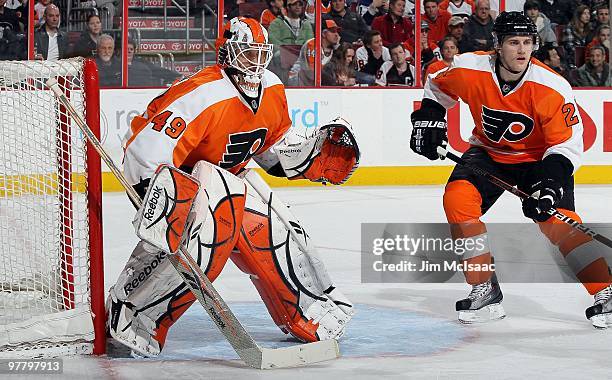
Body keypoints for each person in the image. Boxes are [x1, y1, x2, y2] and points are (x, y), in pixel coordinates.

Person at [107, 17, 357, 357]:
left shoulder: (271, 88)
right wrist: (159, 199)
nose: (254, 63)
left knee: (276, 229)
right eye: (246, 54)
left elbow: (271, 148)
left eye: (260, 54)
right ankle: (131, 317)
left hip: (229, 180)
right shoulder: (203, 93)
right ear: (228, 52)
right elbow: (143, 148)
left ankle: (309, 314)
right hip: (175, 184)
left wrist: (307, 156)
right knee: (206, 243)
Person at [409, 11, 612, 327]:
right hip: (489, 154)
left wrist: (549, 184)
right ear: (497, 46)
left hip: (539, 160)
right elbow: (436, 82)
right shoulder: (469, 68)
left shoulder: (551, 87)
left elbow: (567, 145)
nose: (521, 50)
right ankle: (484, 288)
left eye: (528, 42)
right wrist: (429, 119)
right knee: (457, 200)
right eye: (513, 42)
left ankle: (606, 290)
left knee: (558, 224)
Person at [288, 19, 341, 86]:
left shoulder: (335, 48)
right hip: (297, 80)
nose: (337, 34)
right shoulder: (313, 44)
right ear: (323, 34)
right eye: (333, 31)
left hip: (315, 82)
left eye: (337, 31)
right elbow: (312, 70)